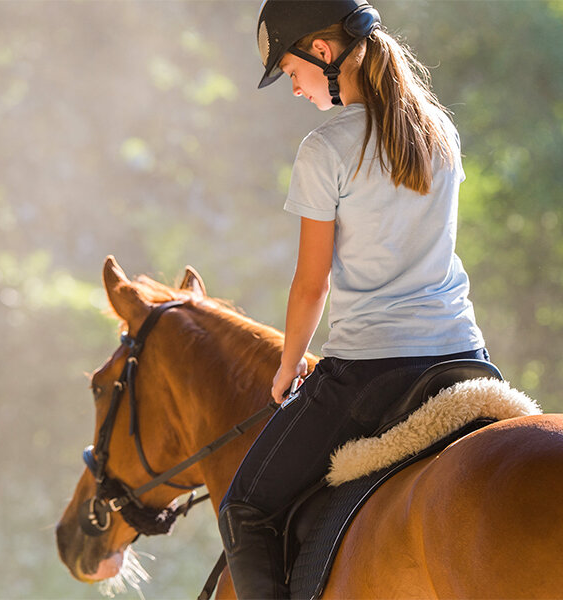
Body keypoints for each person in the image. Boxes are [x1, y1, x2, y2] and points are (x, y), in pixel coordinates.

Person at [218, 1, 489, 597]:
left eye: (291, 72)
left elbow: (310, 283)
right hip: (464, 357)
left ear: (323, 53)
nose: (294, 89)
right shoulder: (440, 130)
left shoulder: (325, 148)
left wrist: (289, 367)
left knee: (244, 508)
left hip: (373, 370)